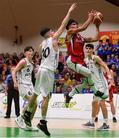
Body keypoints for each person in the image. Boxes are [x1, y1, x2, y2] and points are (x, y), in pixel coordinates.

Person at [21, 3, 77, 136]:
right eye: (52, 31)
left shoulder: (42, 44)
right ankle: (43, 122)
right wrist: (69, 12)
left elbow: (46, 52)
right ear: (49, 33)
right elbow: (63, 25)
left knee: (35, 93)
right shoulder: (53, 39)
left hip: (41, 69)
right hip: (47, 71)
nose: (54, 31)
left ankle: (27, 114)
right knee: (46, 97)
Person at [65, 10, 105, 104]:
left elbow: (95, 38)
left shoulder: (80, 37)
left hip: (80, 61)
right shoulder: (69, 33)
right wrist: (90, 18)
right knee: (89, 73)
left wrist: (97, 26)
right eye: (72, 25)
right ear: (69, 27)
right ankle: (96, 91)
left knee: (86, 82)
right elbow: (83, 28)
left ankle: (70, 95)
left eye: (75, 24)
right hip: (72, 60)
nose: (74, 26)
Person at [82, 44, 113, 130]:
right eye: (86, 48)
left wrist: (110, 76)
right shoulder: (85, 60)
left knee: (101, 103)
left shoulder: (95, 58)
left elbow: (104, 65)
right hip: (95, 85)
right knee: (94, 103)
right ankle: (91, 122)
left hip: (101, 84)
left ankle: (106, 124)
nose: (88, 50)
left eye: (90, 48)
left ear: (92, 50)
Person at [12, 46, 37, 130]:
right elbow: (14, 71)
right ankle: (20, 118)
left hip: (30, 85)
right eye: (29, 51)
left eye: (32, 51)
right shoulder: (23, 61)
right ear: (25, 53)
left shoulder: (32, 63)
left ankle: (28, 123)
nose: (31, 52)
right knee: (31, 101)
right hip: (22, 85)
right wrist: (15, 82)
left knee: (36, 104)